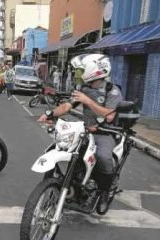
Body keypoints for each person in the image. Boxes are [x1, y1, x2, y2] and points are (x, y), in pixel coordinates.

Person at [38, 54, 123, 213]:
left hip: (104, 133)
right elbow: (67, 106)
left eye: (82, 69)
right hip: (85, 130)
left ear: (94, 69)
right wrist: (50, 114)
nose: (79, 72)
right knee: (57, 149)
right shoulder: (83, 88)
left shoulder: (112, 91)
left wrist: (88, 101)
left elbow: (110, 116)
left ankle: (104, 191)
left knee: (103, 157)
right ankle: (51, 187)